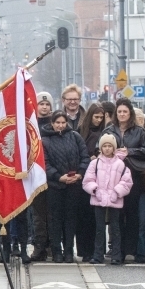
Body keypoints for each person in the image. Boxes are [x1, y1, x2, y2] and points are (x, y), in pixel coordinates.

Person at [108, 99, 145, 262]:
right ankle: (117, 250)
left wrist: (130, 151)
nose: (122, 114)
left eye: (125, 112)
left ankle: (131, 250)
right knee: (116, 215)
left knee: (132, 215)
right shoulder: (109, 130)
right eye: (119, 112)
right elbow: (99, 148)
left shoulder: (139, 131)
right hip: (113, 177)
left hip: (134, 176)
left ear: (130, 114)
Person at [42, 111, 89, 262]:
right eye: (58, 123)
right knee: (55, 219)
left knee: (70, 219)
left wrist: (79, 174)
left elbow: (85, 157)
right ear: (52, 123)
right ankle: (56, 251)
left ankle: (69, 250)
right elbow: (44, 163)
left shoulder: (75, 137)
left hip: (73, 185)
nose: (60, 125)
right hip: (54, 186)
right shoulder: (45, 140)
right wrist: (58, 176)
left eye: (63, 122)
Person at [83, 134, 134, 265]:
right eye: (104, 146)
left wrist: (117, 192)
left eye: (109, 146)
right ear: (101, 148)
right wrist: (95, 190)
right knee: (99, 228)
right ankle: (98, 255)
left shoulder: (121, 164)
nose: (107, 148)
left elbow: (127, 182)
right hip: (98, 199)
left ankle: (116, 255)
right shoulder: (95, 163)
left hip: (115, 199)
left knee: (115, 227)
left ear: (114, 148)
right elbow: (88, 180)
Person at [76, 103, 109, 260]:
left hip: (100, 178)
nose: (98, 120)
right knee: (83, 216)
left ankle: (97, 250)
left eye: (101, 117)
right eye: (96, 117)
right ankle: (84, 250)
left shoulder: (105, 132)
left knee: (97, 218)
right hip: (84, 177)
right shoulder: (81, 132)